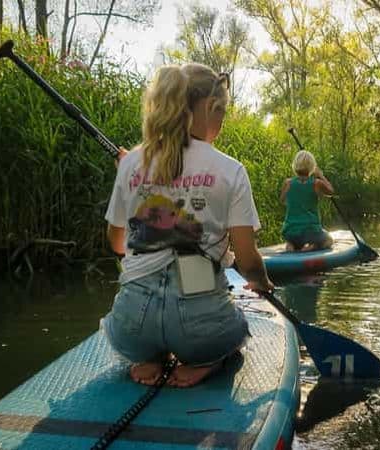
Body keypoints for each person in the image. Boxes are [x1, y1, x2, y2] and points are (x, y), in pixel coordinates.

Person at [102, 63, 274, 388]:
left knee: (135, 325)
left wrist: (131, 175)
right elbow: (248, 260)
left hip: (132, 329)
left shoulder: (130, 164)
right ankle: (204, 362)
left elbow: (117, 245)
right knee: (238, 328)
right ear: (211, 108)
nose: (222, 122)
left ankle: (148, 357)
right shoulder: (231, 170)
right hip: (200, 332)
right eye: (221, 112)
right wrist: (262, 282)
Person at [280, 150, 335, 252]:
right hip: (311, 231)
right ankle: (312, 246)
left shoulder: (287, 183)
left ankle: (290, 245)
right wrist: (321, 175)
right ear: (312, 167)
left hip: (290, 231)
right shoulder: (316, 183)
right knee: (329, 240)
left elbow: (282, 200)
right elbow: (331, 191)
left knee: (293, 238)